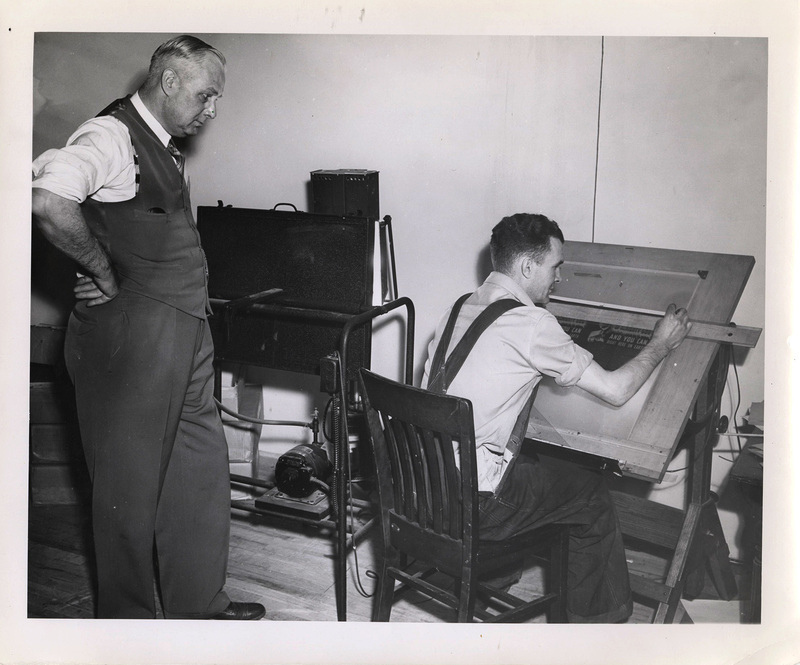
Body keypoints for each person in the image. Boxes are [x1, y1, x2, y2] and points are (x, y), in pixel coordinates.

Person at [31, 35, 266, 620]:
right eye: (206, 95)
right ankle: (129, 630)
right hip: (131, 341)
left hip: (187, 332)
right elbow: (49, 200)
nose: (212, 110)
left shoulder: (164, 146)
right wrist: (100, 270)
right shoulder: (109, 135)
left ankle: (199, 607)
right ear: (168, 82)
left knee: (199, 474)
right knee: (127, 500)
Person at [422, 212, 691, 622]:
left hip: (424, 491)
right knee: (591, 494)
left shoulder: (456, 309)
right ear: (528, 267)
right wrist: (661, 343)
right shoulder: (530, 323)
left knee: (538, 467)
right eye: (556, 266)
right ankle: (592, 629)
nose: (559, 277)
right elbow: (617, 391)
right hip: (473, 505)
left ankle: (481, 586)